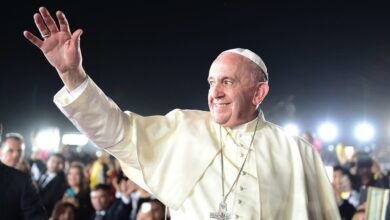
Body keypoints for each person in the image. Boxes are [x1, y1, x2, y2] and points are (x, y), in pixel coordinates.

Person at [24, 7, 341, 219]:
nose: (214, 92)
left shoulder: (297, 151)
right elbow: (116, 132)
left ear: (259, 93)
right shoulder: (182, 128)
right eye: (211, 82)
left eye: (227, 82)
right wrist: (72, 75)